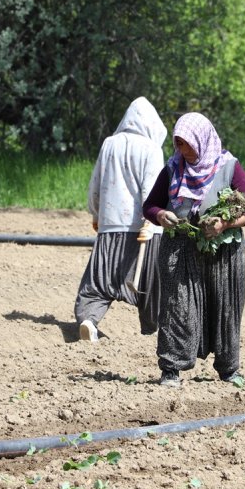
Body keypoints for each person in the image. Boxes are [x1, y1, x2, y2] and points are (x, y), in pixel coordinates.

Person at [142, 112, 245, 387]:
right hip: (179, 249)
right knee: (176, 306)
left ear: (202, 140)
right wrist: (161, 215)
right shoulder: (173, 168)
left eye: (186, 143)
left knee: (225, 306)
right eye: (178, 144)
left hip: (222, 254)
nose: (181, 150)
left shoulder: (228, 166)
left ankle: (229, 369)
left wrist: (225, 223)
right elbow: (150, 205)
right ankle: (171, 369)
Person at [74, 96, 167, 342]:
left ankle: (88, 320)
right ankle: (152, 329)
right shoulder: (152, 149)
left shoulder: (109, 144)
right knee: (149, 285)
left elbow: (97, 183)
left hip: (110, 226)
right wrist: (154, 219)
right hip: (143, 230)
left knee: (98, 282)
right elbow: (153, 190)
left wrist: (96, 214)